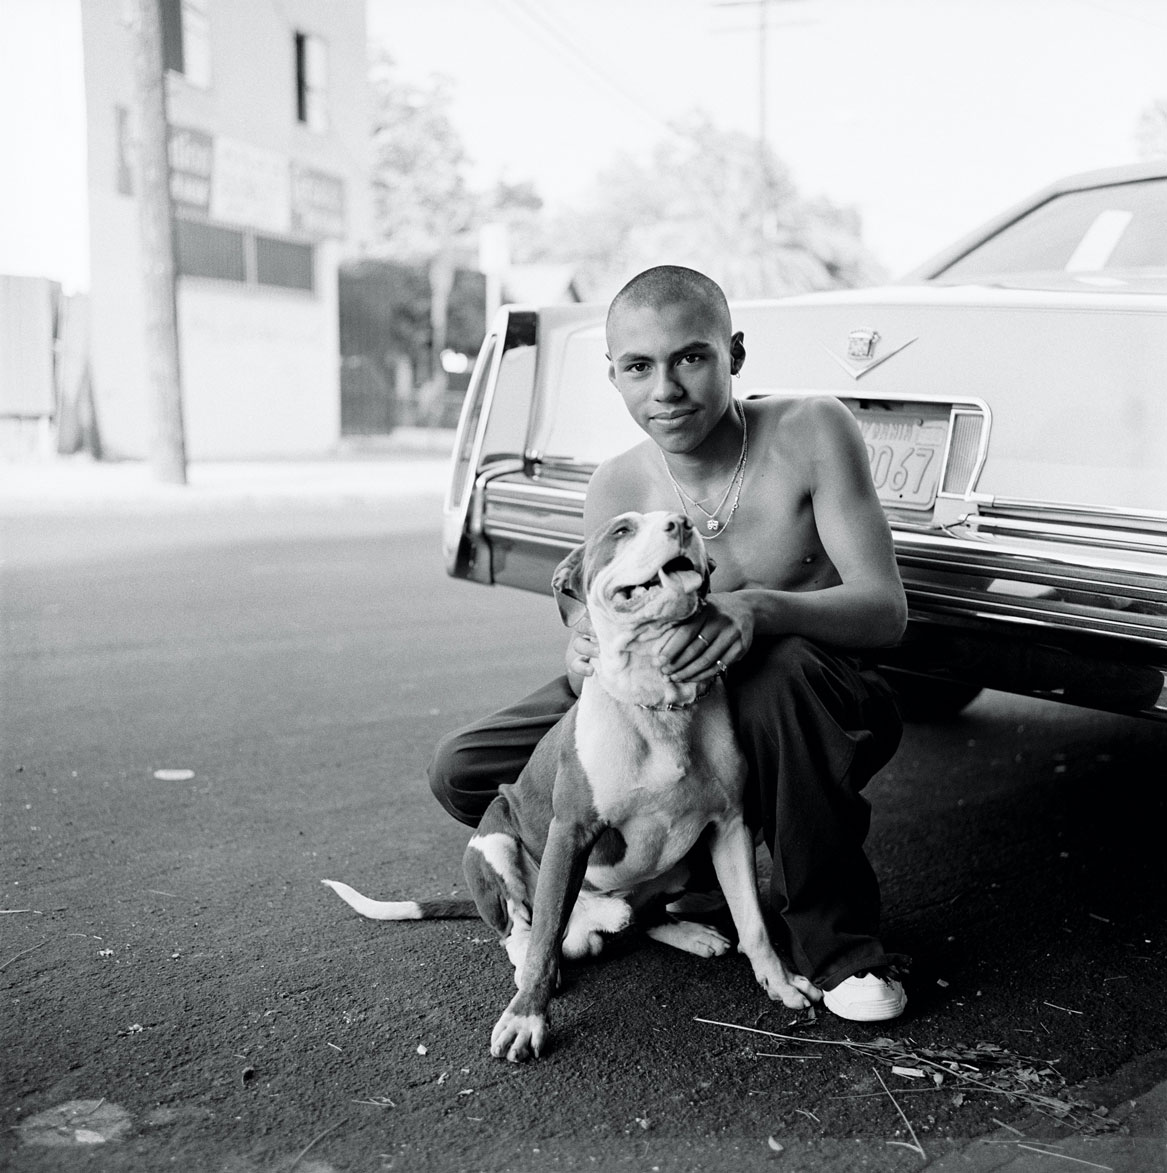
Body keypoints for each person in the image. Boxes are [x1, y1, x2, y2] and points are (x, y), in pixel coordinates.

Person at [428, 265, 910, 1022]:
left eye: (690, 357)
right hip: (655, 688)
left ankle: (838, 947)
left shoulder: (811, 430)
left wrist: (758, 608)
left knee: (775, 680)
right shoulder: (617, 484)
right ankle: (651, 881)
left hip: (809, 695)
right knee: (465, 769)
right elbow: (586, 608)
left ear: (734, 354)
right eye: (638, 367)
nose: (666, 389)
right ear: (613, 375)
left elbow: (885, 612)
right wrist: (581, 648)